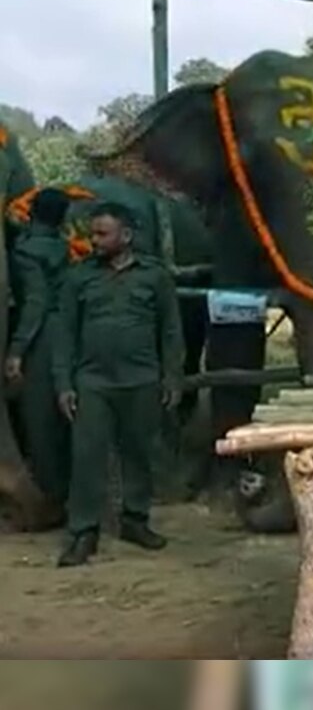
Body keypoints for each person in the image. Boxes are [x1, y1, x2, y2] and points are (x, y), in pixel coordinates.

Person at [53, 202, 184, 567]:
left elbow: (171, 331)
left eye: (102, 233)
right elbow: (64, 335)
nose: (94, 240)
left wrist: (173, 376)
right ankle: (83, 532)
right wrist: (64, 384)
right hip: (92, 382)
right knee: (87, 457)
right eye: (92, 233)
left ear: (126, 236)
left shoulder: (154, 277)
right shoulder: (79, 278)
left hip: (142, 380)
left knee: (139, 452)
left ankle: (135, 521)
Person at [6, 188, 72, 523]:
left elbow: (36, 302)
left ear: (31, 212)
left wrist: (17, 349)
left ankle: (51, 502)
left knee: (39, 420)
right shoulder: (65, 247)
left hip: (44, 336)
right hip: (71, 331)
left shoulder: (28, 251)